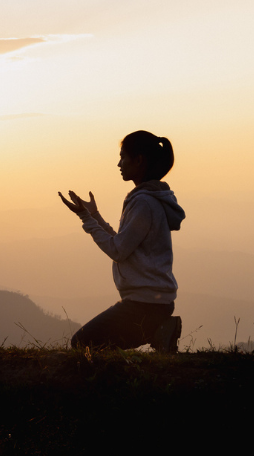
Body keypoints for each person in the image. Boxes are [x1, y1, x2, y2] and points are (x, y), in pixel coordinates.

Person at [58, 130, 185, 352]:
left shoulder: (144, 203)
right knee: (94, 343)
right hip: (154, 303)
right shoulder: (149, 199)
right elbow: (123, 242)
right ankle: (159, 331)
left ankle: (157, 331)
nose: (119, 164)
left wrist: (85, 218)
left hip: (144, 306)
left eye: (123, 157)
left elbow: (117, 250)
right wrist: (95, 216)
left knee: (82, 343)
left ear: (139, 160)